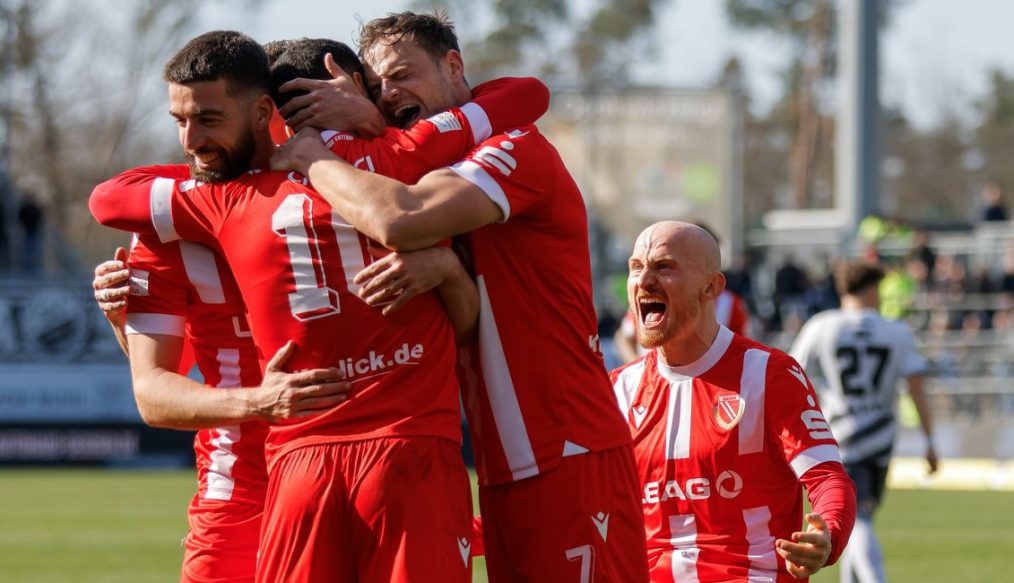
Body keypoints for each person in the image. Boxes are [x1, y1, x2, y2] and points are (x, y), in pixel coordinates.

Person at [90, 31, 549, 582]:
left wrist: (445, 266)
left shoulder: (201, 206)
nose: (191, 140)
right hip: (247, 484)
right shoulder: (399, 172)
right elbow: (153, 388)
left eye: (208, 120)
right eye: (180, 121)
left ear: (266, 113)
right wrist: (255, 401)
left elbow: (106, 198)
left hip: (323, 460)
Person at [270, 11, 649, 581]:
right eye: (376, 87)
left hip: (567, 447)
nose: (391, 93)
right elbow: (471, 323)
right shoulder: (437, 158)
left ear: (454, 66)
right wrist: (448, 270)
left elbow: (402, 218)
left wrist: (313, 153)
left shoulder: (515, 147)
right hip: (503, 462)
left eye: (401, 74)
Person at [92, 236, 351, 583]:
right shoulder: (164, 225)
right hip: (236, 485)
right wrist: (122, 318)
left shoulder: (321, 201)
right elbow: (161, 383)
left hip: (343, 468)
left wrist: (439, 266)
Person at [610, 221, 856, 582]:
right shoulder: (618, 389)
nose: (644, 280)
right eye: (636, 267)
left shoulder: (768, 374)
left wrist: (826, 534)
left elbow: (827, 478)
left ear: (712, 287)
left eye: (664, 267)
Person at [790, 260, 937, 583]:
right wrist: (929, 440)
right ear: (872, 289)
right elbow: (916, 387)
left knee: (856, 518)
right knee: (861, 517)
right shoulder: (896, 330)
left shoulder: (821, 326)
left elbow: (791, 375)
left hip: (836, 434)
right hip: (881, 435)